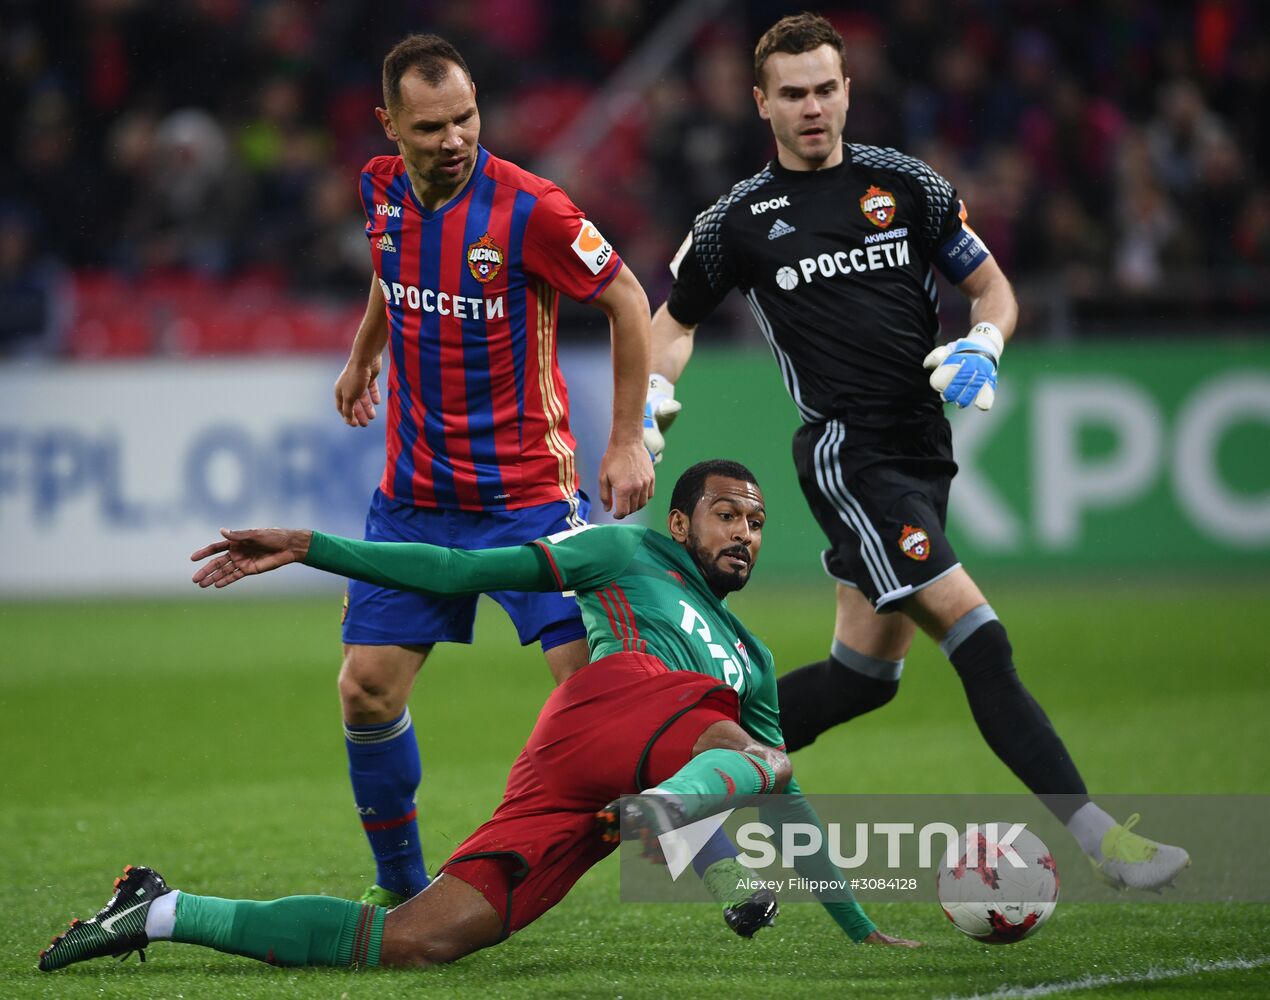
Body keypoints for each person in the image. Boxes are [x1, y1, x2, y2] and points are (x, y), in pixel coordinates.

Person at [643, 14, 1188, 891]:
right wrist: (653, 398)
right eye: (792, 93)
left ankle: (675, 788)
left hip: (921, 451)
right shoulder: (738, 220)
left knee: (865, 678)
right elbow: (672, 323)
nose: (812, 107)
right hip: (849, 455)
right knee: (978, 632)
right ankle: (1100, 839)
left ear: (848, 90)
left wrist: (987, 343)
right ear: (761, 103)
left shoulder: (907, 185)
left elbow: (993, 287)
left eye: (825, 88)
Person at [38, 460, 919, 974]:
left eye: (760, 524)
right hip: (608, 710)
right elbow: (464, 573)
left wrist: (858, 923)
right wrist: (313, 546)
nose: (746, 534)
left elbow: (785, 802)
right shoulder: (625, 551)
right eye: (728, 516)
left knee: (419, 941)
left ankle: (158, 909)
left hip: (596, 786)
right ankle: (677, 823)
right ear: (682, 522)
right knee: (758, 755)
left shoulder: (752, 657)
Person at [329, 34, 654, 908]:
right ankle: (403, 890)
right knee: (365, 690)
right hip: (413, 501)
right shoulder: (381, 188)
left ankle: (705, 865)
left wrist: (626, 437)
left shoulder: (531, 209)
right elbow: (389, 268)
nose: (453, 139)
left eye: (466, 117)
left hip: (527, 501)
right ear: (388, 124)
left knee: (601, 689)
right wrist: (366, 353)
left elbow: (626, 298)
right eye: (430, 125)